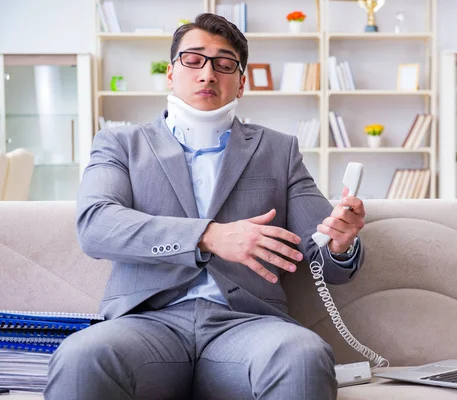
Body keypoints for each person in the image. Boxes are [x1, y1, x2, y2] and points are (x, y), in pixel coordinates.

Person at [45, 12, 366, 400]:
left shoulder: (278, 150)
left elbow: (322, 255)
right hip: (146, 324)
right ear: (170, 73)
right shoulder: (120, 145)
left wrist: (340, 244)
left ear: (241, 83)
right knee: (81, 355)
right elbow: (96, 226)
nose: (208, 73)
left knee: (303, 354)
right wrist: (209, 236)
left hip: (247, 327)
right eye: (193, 60)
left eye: (224, 63)